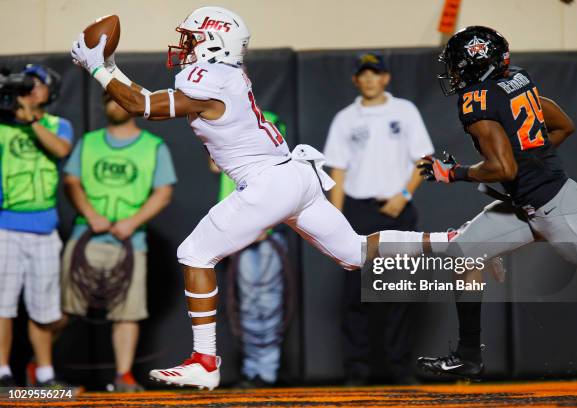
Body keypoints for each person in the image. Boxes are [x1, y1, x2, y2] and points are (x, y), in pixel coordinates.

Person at [70, 6, 452, 390]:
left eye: (191, 38)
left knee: (194, 254)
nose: (184, 46)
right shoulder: (225, 74)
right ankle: (452, 242)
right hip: (295, 176)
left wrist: (97, 68)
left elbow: (143, 106)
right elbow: (146, 98)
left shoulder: (209, 76)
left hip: (268, 183)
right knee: (354, 252)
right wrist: (111, 65)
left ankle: (204, 361)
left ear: (213, 41)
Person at [414, 26, 577, 379]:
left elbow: (502, 166)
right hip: (524, 208)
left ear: (478, 65)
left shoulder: (477, 101)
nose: (455, 73)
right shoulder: (518, 80)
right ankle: (469, 357)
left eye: (459, 65)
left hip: (556, 210)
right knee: (463, 254)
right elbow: (563, 125)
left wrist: (454, 173)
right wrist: (529, 167)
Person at [324, 53, 433, 385]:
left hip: (397, 209)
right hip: (358, 211)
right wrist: (335, 222)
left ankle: (400, 369)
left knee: (400, 293)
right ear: (356, 80)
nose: (370, 79)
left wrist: (404, 195)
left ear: (386, 78)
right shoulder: (345, 118)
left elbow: (423, 159)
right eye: (364, 74)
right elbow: (337, 172)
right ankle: (357, 371)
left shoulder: (405, 111)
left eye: (376, 73)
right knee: (355, 295)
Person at [61, 93, 176, 391]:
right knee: (61, 309)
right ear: (103, 105)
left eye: (121, 100)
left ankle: (123, 376)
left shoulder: (153, 146)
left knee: (127, 312)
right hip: (85, 238)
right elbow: (71, 181)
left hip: (130, 242)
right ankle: (42, 369)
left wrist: (131, 223)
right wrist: (90, 214)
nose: (115, 105)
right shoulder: (88, 142)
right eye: (109, 100)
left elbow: (163, 192)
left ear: (134, 106)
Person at [0, 65, 73, 387]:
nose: (31, 88)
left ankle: (44, 374)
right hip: (5, 226)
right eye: (26, 84)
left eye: (37, 84)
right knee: (2, 304)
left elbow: (60, 150)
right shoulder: (2, 126)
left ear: (50, 91)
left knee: (44, 306)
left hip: (44, 228)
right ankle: (2, 371)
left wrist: (30, 119)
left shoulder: (60, 125)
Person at [211, 111, 289, 388]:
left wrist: (265, 222)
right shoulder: (216, 118)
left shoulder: (268, 119)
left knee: (267, 303)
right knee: (246, 303)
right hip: (238, 225)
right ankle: (253, 370)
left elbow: (281, 167)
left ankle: (266, 372)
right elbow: (213, 164)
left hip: (267, 229)